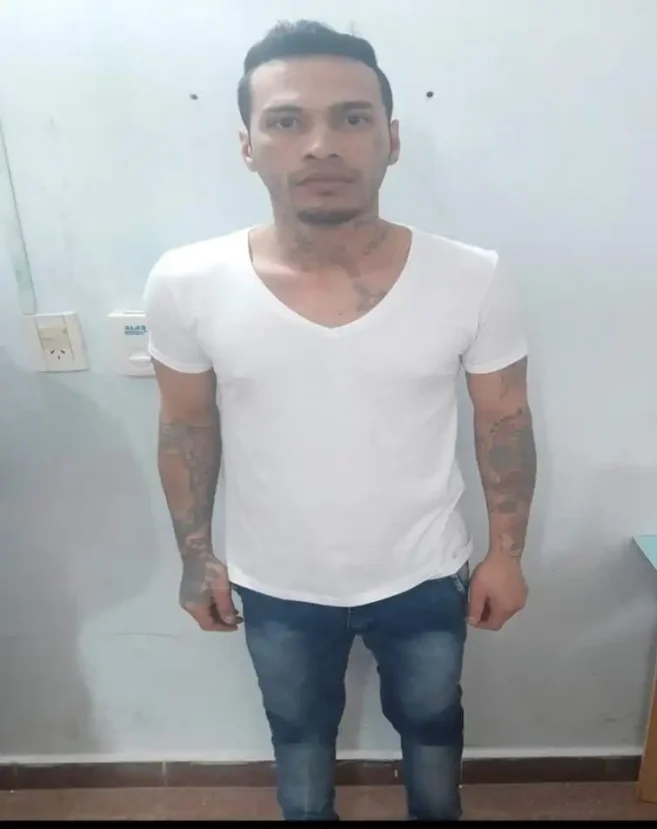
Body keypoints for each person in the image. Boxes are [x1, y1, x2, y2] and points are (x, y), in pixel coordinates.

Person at [143, 19, 537, 821]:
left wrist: (506, 554)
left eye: (352, 118)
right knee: (297, 736)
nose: (321, 145)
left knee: (434, 726)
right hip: (276, 580)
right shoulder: (186, 282)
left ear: (391, 138)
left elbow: (504, 418)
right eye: (287, 120)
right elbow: (186, 425)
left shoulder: (474, 277)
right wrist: (195, 556)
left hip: (425, 572)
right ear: (248, 145)